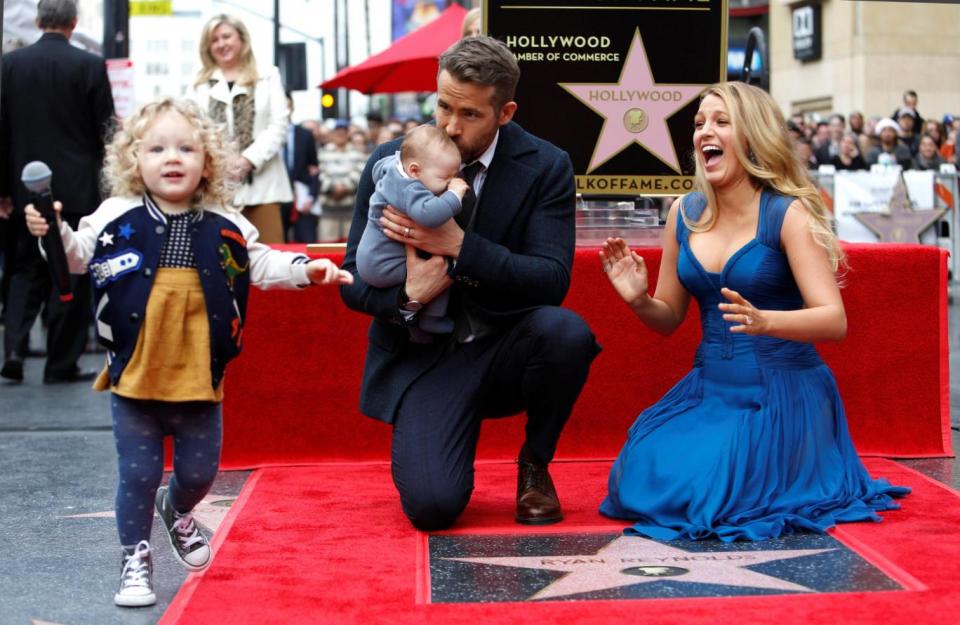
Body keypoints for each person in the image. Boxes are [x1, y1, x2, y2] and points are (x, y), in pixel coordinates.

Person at [24, 98, 352, 607]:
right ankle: (135, 558)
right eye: (156, 148)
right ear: (134, 160)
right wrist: (55, 230)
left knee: (199, 474)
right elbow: (75, 257)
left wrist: (305, 269)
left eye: (185, 147)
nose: (171, 157)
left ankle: (175, 510)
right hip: (135, 372)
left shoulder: (224, 218)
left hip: (200, 373)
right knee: (136, 472)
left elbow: (260, 263)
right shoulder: (116, 213)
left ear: (208, 161)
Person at [598, 81, 908, 542]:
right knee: (642, 474)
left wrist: (768, 322)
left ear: (753, 136)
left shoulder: (788, 214)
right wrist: (640, 299)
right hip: (710, 392)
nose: (706, 131)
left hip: (782, 393)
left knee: (713, 493)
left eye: (722, 122)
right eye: (700, 122)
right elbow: (668, 319)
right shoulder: (683, 212)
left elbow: (833, 320)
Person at [340, 35, 600, 531]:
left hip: (507, 345)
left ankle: (535, 464)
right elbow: (351, 278)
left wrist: (460, 248)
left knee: (567, 332)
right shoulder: (393, 161)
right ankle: (445, 440)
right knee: (433, 508)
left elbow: (551, 279)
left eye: (470, 115)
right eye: (442, 106)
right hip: (426, 356)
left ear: (505, 112)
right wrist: (408, 297)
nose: (450, 127)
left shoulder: (547, 165)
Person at [0, 0, 115, 383]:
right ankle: (60, 363)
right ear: (74, 22)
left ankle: (14, 348)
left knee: (23, 270)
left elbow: (1, 133)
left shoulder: (9, 66)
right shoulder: (90, 66)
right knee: (70, 271)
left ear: (37, 21)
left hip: (23, 187)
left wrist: (3, 190)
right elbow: (106, 132)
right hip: (78, 189)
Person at [356, 125, 469, 341]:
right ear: (415, 170)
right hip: (383, 264)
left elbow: (377, 168)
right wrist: (454, 194)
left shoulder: (393, 166)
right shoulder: (410, 187)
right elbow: (429, 215)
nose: (449, 182)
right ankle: (431, 319)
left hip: (372, 257)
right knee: (442, 268)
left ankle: (416, 325)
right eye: (445, 178)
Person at [191, 14, 291, 244]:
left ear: (242, 39)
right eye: (214, 40)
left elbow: (279, 124)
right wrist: (220, 162)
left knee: (271, 254)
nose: (221, 44)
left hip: (263, 186)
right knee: (220, 260)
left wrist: (247, 160)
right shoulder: (199, 84)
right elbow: (195, 129)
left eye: (226, 36)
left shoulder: (267, 75)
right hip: (216, 188)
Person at [317, 119, 367, 242]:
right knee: (326, 247)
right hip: (328, 210)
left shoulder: (357, 153)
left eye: (343, 132)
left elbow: (359, 174)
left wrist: (344, 187)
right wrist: (333, 188)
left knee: (350, 245)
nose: (340, 135)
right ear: (333, 134)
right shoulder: (323, 153)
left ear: (347, 134)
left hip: (350, 211)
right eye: (337, 132)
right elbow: (319, 174)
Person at [280, 92, 321, 243]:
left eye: (286, 105)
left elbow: (314, 169)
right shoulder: (263, 136)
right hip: (276, 199)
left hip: (301, 199)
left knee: (307, 245)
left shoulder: (305, 135)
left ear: (292, 107)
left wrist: (311, 197)